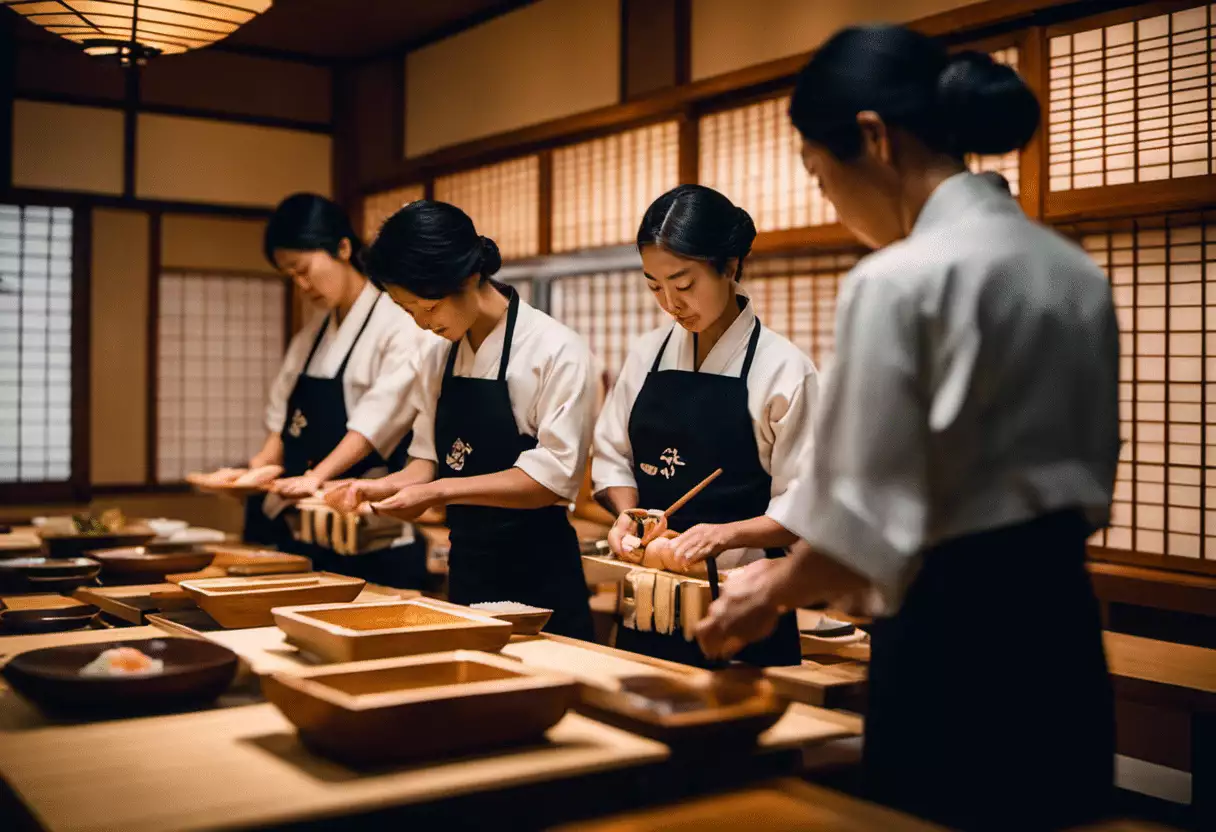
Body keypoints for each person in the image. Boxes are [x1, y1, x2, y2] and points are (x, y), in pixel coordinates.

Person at [694, 25, 1119, 831]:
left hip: (950, 650)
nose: (832, 203)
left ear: (873, 138)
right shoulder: (1074, 270)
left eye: (821, 180)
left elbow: (863, 521)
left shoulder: (897, 281)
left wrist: (767, 592)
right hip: (1063, 637)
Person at [326, 200, 596, 640]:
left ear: (469, 277)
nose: (421, 323)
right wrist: (378, 487)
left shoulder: (554, 350)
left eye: (428, 308)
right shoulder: (436, 355)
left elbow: (550, 482)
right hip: (468, 564)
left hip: (539, 570)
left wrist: (439, 492)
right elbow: (426, 461)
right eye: (407, 310)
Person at [592, 185, 817, 667]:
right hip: (647, 601)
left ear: (730, 266)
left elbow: (803, 505)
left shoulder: (782, 370)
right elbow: (612, 455)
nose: (670, 303)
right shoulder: (647, 354)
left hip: (744, 604)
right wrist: (628, 514)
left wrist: (725, 534)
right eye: (654, 286)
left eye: (684, 283)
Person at [248, 192, 434, 587]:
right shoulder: (312, 334)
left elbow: (378, 420)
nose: (301, 285)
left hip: (367, 529)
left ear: (344, 248)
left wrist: (319, 476)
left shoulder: (398, 324)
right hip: (306, 524)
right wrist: (254, 473)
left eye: (303, 269)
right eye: (290, 276)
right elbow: (285, 420)